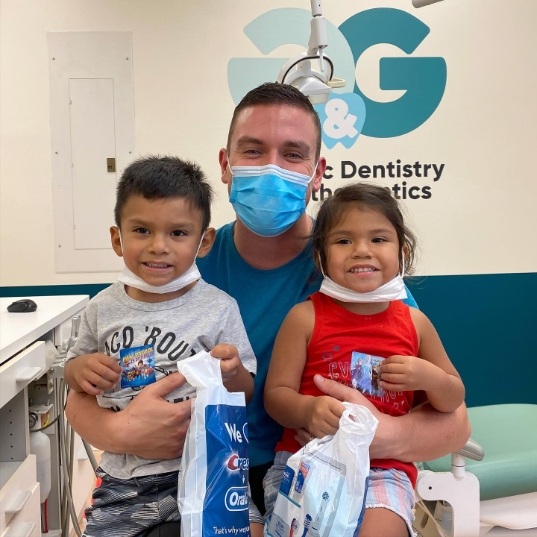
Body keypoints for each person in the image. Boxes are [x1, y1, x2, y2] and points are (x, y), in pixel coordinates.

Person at [65, 82, 470, 520]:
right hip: (193, 477)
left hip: (319, 475)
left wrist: (381, 434)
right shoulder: (183, 258)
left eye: (293, 154)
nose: (273, 169)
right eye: (253, 151)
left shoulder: (358, 274)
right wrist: (121, 431)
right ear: (226, 165)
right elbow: (80, 395)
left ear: (317, 174)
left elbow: (454, 425)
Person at [63, 156, 263, 536]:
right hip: (125, 483)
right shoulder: (101, 309)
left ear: (204, 241)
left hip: (210, 469)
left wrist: (234, 371)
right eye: (141, 230)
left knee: (252, 530)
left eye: (177, 233)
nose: (159, 246)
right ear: (117, 238)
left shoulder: (220, 308)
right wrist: (81, 369)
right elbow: (73, 372)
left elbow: (245, 392)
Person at [263, 183, 465, 536]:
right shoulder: (304, 317)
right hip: (306, 460)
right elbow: (276, 395)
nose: (361, 251)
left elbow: (453, 397)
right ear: (320, 256)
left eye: (378, 239)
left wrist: (428, 378)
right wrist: (307, 410)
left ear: (402, 250)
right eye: (343, 241)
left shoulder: (415, 323)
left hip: (383, 467)